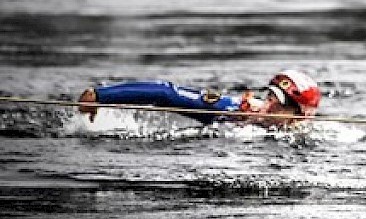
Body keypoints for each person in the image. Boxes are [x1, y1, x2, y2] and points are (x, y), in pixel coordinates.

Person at [77, 69, 321, 128]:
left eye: (278, 102)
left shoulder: (317, 139)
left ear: (298, 115)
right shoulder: (235, 111)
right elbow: (166, 93)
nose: (269, 104)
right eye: (269, 96)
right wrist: (101, 96)